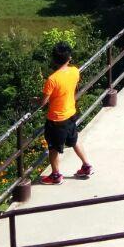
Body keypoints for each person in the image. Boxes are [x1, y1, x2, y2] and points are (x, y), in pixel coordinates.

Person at [39, 42, 92, 185]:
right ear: (69, 58)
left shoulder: (52, 79)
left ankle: (56, 176)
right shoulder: (74, 71)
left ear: (54, 60)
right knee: (74, 140)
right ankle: (86, 166)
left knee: (53, 148)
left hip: (56, 119)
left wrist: (36, 100)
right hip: (70, 114)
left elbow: (43, 102)